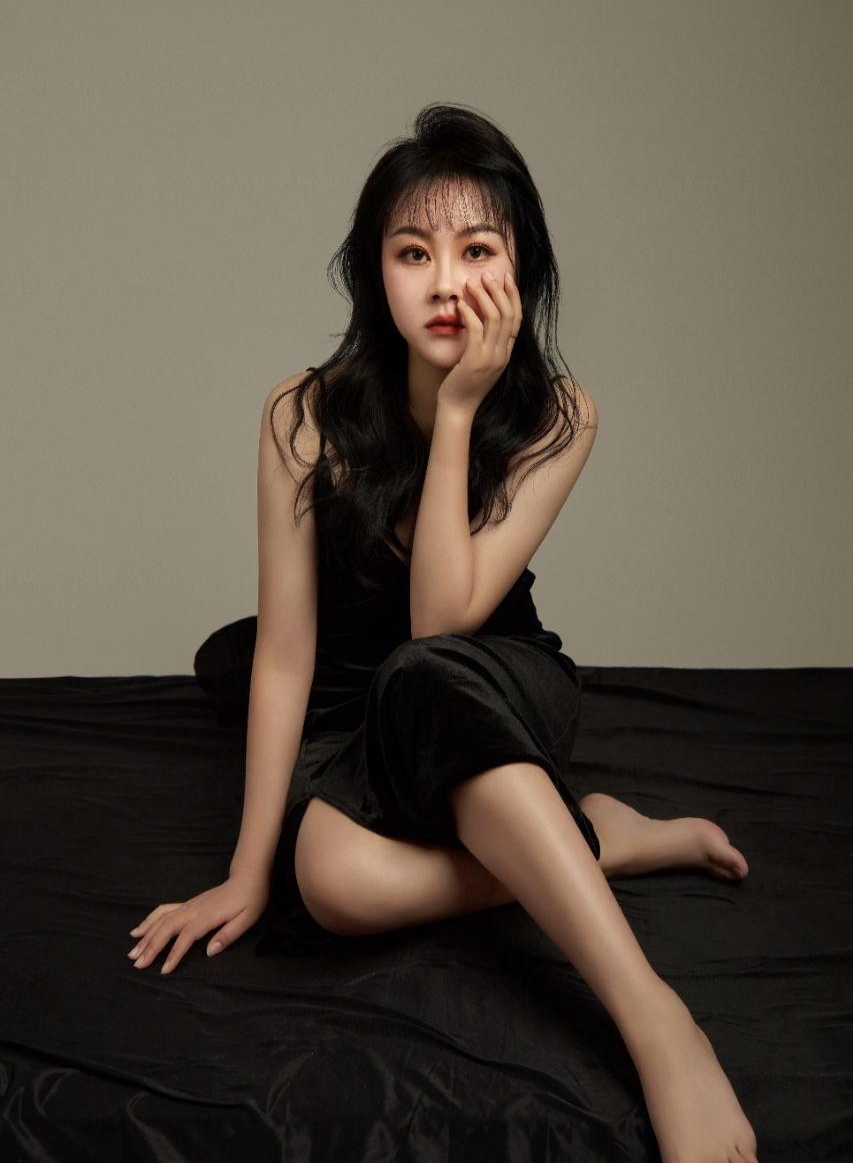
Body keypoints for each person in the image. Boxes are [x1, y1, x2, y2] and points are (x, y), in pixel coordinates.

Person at [126, 103, 760, 1163]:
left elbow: (439, 625)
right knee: (325, 884)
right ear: (373, 272)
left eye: (477, 250)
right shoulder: (300, 414)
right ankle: (592, 836)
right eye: (412, 252)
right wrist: (245, 871)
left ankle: (655, 1020)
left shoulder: (558, 413)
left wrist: (459, 413)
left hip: (490, 680)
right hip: (361, 700)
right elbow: (287, 654)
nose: (444, 282)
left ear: (522, 268)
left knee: (423, 672)